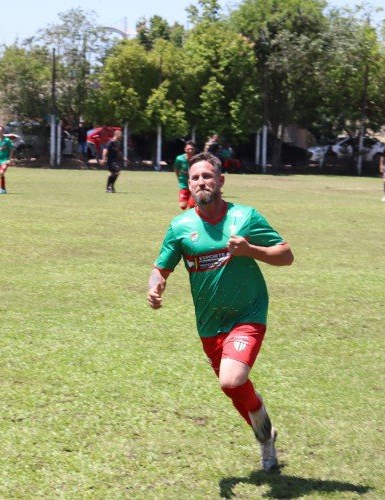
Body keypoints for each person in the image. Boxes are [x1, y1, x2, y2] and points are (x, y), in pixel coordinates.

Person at [147, 152, 294, 471]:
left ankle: (264, 437)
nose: (201, 182)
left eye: (207, 176)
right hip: (210, 324)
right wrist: (154, 285)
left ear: (221, 181)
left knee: (231, 380)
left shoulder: (246, 217)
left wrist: (250, 250)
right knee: (236, 391)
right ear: (189, 183)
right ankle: (266, 436)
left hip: (247, 314)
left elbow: (286, 255)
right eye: (195, 177)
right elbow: (161, 268)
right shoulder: (180, 226)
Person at [174, 141, 197, 210]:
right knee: (183, 206)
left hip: (194, 185)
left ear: (194, 150)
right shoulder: (179, 159)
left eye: (192, 149)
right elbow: (176, 169)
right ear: (185, 149)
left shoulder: (197, 159)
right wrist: (179, 178)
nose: (190, 151)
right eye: (188, 149)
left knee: (192, 206)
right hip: (184, 184)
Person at [101, 129, 126, 193]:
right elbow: (105, 150)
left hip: (114, 161)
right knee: (116, 171)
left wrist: (124, 158)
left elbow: (118, 152)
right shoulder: (111, 142)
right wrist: (103, 159)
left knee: (114, 173)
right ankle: (109, 187)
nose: (121, 136)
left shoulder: (117, 143)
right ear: (116, 135)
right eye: (120, 135)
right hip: (110, 161)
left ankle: (110, 187)